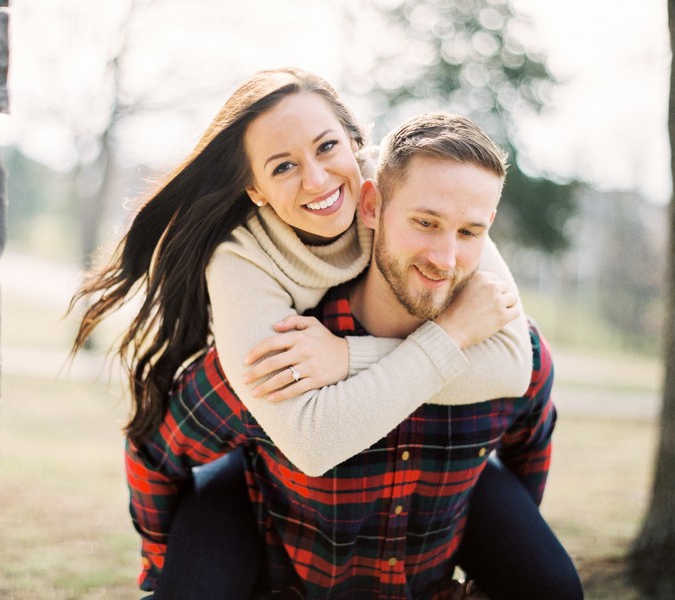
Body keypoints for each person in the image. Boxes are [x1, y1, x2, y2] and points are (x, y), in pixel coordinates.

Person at [125, 113, 583, 599]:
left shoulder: (513, 352)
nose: (445, 257)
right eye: (424, 223)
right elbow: (156, 450)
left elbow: (529, 452)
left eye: (468, 232)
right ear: (371, 206)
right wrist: (168, 569)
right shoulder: (286, 351)